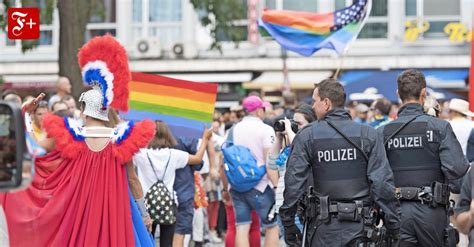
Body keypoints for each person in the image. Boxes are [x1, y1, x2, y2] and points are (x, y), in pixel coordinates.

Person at [0, 35, 155, 246]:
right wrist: (144, 213)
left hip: (80, 214)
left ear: (83, 111)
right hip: (116, 214)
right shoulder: (122, 140)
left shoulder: (71, 136)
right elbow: (133, 180)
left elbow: (34, 151)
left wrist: (25, 118)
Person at [280, 79, 401, 246]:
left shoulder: (308, 135)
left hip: (322, 229)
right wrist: (393, 225)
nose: (313, 106)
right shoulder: (368, 134)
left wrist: (288, 222)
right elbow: (382, 184)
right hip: (360, 229)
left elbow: (294, 182)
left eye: (315, 101)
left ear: (327, 103)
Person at [377, 69, 469, 246]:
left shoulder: (383, 132)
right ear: (424, 93)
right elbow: (457, 170)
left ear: (398, 94)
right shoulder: (439, 128)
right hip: (431, 213)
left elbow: (376, 178)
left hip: (396, 213)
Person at [132, 120, 212, 247]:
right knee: (167, 242)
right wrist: (205, 139)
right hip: (168, 205)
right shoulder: (174, 155)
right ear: (167, 134)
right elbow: (197, 158)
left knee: (146, 240)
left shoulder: (141, 155)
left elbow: (126, 155)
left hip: (146, 206)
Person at [227, 95, 280, 247]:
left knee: (242, 227)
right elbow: (270, 162)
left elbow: (224, 159)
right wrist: (277, 186)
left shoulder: (233, 130)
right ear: (258, 111)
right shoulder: (265, 130)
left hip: (237, 186)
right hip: (261, 186)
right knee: (272, 226)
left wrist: (226, 188)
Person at [269, 103, 316, 238]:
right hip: (282, 208)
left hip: (299, 210)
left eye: (298, 124)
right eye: (292, 123)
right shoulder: (288, 147)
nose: (294, 127)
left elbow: (302, 151)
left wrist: (290, 131)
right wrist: (278, 138)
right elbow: (272, 164)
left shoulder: (309, 144)